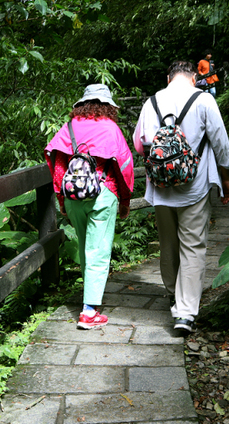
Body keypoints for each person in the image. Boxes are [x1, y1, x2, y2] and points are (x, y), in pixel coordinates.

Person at [133, 61, 229, 333]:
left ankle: (171, 293)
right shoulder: (203, 100)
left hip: (161, 188)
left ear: (168, 78)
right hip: (195, 185)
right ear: (193, 79)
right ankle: (185, 314)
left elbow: (139, 143)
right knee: (192, 245)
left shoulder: (152, 101)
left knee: (168, 243)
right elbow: (220, 141)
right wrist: (225, 178)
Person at [45, 84, 134, 329]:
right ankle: (89, 312)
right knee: (99, 249)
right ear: (107, 106)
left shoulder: (69, 127)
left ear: (82, 105)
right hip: (103, 193)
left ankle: (89, 301)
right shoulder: (110, 128)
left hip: (73, 196)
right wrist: (124, 202)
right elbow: (123, 167)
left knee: (86, 247)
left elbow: (59, 167)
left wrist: (62, 200)